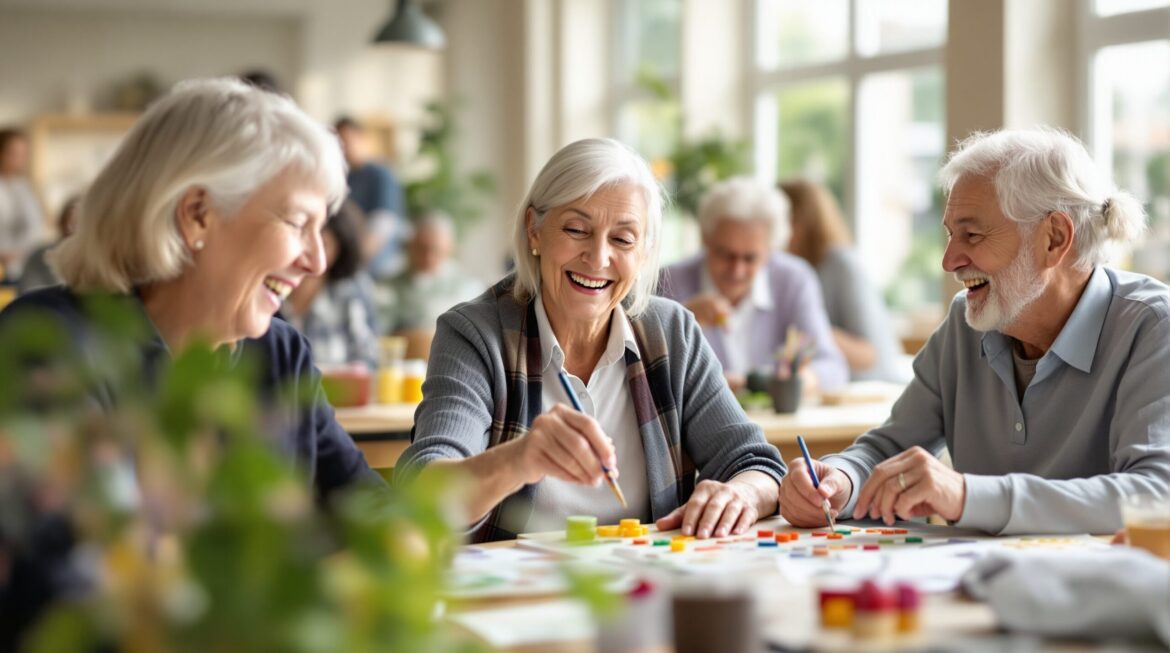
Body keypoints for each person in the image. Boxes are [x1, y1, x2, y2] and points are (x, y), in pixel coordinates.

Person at [0, 78, 382, 497]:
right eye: (296, 223)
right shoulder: (50, 344)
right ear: (198, 213)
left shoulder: (279, 355)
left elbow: (377, 516)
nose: (316, 261)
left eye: (320, 229)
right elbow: (75, 554)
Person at [779, 128, 1170, 535]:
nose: (949, 261)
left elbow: (1156, 494)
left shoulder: (1153, 325)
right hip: (979, 587)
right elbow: (888, 449)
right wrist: (839, 480)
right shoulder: (966, 325)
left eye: (972, 234)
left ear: (1054, 238)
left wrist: (968, 496)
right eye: (951, 235)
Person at [394, 138, 786, 542]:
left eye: (622, 239)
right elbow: (421, 494)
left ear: (644, 251)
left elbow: (757, 464)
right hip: (515, 597)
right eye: (577, 230)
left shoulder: (672, 333)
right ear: (535, 230)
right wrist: (519, 459)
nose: (598, 258)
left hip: (646, 587)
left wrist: (742, 494)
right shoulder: (476, 333)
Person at [657, 176, 848, 394]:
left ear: (770, 251)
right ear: (705, 239)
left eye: (750, 258)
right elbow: (645, 372)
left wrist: (788, 383)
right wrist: (681, 323)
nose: (737, 270)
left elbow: (832, 367)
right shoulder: (669, 281)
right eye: (725, 254)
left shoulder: (794, 280)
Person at [781, 179, 909, 384]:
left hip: (870, 391)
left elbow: (871, 355)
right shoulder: (783, 271)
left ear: (798, 223)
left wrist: (809, 326)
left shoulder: (841, 264)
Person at [284, 200, 381, 369]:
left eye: (324, 245)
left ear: (340, 249)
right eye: (303, 239)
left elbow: (368, 358)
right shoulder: (273, 288)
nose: (311, 254)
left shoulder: (350, 290)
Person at [377, 210, 484, 334]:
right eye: (422, 248)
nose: (428, 257)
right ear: (411, 246)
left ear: (449, 249)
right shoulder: (389, 284)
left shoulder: (468, 287)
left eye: (436, 250)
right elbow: (380, 328)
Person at [334, 116, 407, 278]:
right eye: (338, 143)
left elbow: (383, 223)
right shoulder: (343, 176)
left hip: (378, 267)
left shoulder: (380, 174)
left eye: (346, 141)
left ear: (361, 139)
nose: (342, 148)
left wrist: (355, 259)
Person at [0, 128, 45, 281]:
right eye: (13, 154)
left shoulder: (24, 187)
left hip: (19, 267)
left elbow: (35, 227)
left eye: (23, 154)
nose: (19, 159)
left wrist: (18, 253)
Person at [18, 194, 78, 294]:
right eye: (70, 222)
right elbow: (29, 294)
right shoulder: (42, 255)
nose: (70, 228)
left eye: (77, 223)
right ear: (61, 222)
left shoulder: (96, 258)